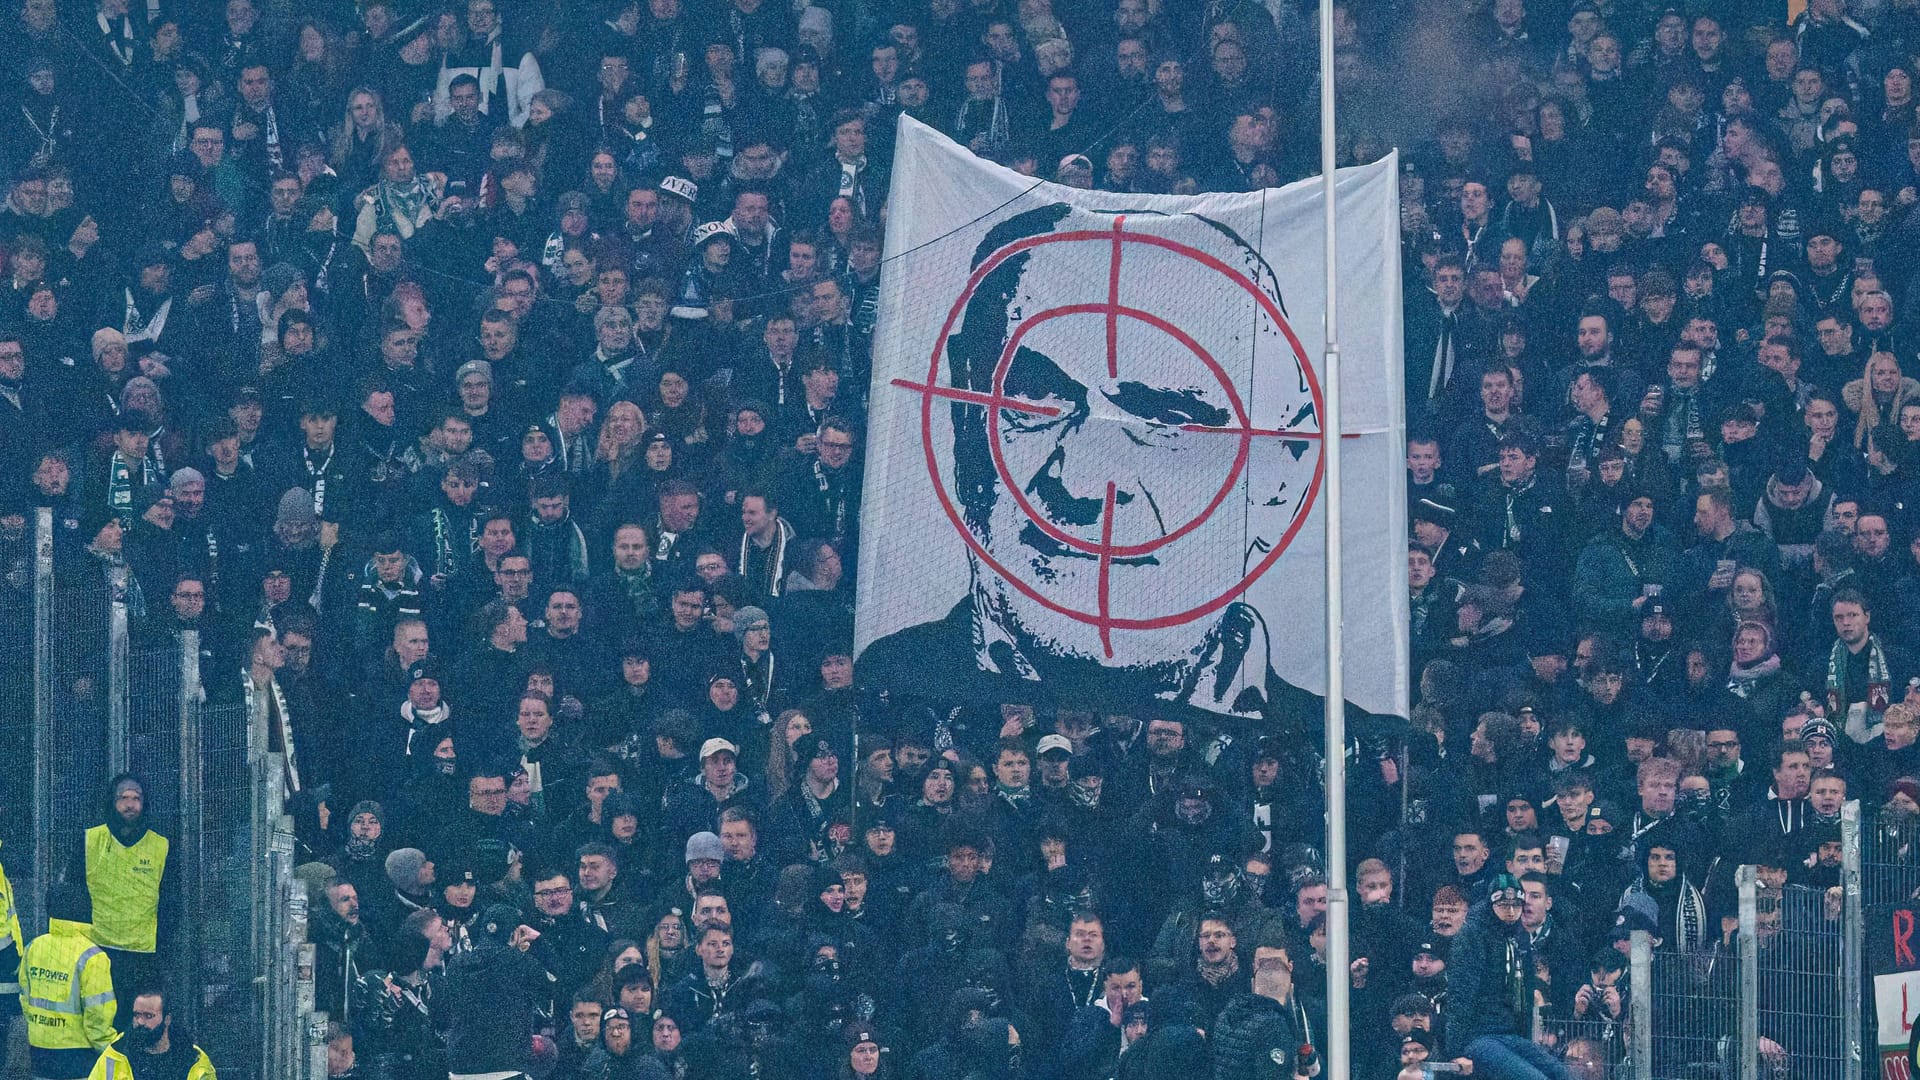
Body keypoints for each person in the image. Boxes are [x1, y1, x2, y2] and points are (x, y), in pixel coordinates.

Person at [75, 775, 175, 1029]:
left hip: (143, 956)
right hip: (98, 951)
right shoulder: (90, 841)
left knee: (139, 1024)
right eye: (123, 798)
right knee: (101, 1021)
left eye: (136, 798)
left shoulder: (160, 845)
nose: (130, 804)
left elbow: (171, 903)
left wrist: (162, 944)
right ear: (112, 801)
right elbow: (74, 896)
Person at [21, 884, 117, 1080]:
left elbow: (25, 999)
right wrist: (111, 1050)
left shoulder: (34, 947)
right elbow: (97, 1017)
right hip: (79, 1055)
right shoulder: (92, 957)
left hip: (39, 1050)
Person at [87, 984, 216, 1079]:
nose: (140, 1022)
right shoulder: (115, 1055)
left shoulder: (193, 1059)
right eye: (137, 1015)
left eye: (149, 1016)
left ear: (167, 1019)